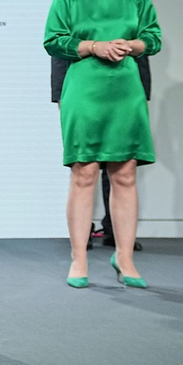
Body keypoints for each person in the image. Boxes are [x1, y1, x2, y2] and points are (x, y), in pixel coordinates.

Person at [44, 0, 161, 289]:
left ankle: (124, 257)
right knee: (84, 173)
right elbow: (53, 40)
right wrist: (94, 46)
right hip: (83, 88)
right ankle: (79, 258)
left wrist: (132, 45)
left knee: (125, 174)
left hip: (125, 89)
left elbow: (153, 38)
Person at [51, 55, 150, 251]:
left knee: (120, 165)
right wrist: (59, 93)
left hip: (124, 91)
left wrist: (143, 91)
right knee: (83, 167)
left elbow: (140, 49)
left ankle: (115, 231)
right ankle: (82, 234)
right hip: (82, 90)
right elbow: (59, 47)